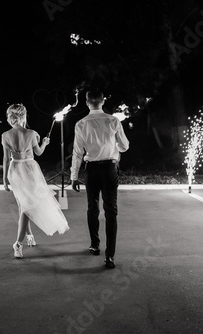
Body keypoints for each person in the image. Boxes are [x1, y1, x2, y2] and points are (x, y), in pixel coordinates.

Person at [70, 89, 129, 268]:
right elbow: (125, 146)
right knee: (111, 211)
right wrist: (115, 146)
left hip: (92, 170)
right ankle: (109, 256)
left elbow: (77, 153)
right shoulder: (113, 121)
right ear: (102, 101)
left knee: (92, 207)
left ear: (87, 102)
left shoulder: (80, 124)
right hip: (109, 168)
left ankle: (95, 245)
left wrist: (74, 176)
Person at [2, 103, 69, 258]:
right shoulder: (31, 133)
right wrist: (44, 143)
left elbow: (6, 159)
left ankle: (29, 236)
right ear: (24, 116)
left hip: (14, 171)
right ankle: (18, 243)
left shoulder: (5, 135)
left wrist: (5, 179)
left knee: (24, 205)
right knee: (27, 206)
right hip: (29, 170)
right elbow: (38, 153)